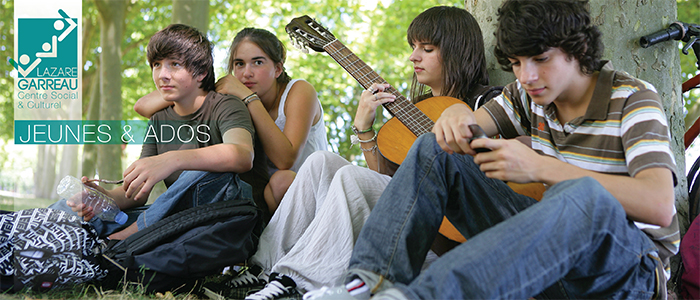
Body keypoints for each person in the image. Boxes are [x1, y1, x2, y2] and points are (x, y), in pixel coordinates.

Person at [305, 1, 681, 299]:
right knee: (434, 147)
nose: (526, 76)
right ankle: (367, 285)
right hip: (549, 261)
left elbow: (659, 204)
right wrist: (454, 113)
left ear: (577, 49)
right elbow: (471, 125)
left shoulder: (632, 98)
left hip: (627, 275)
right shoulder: (525, 94)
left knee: (580, 193)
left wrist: (542, 168)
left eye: (541, 59)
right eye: (516, 63)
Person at [206, 6, 499, 300]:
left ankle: (297, 282)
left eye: (427, 49)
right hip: (406, 227)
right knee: (321, 161)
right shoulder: (416, 108)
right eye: (413, 48)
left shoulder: (488, 103)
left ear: (456, 50)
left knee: (348, 176)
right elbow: (388, 185)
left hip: (451, 239)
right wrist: (364, 128)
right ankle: (261, 269)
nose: (413, 57)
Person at [52, 24, 258, 240]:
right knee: (69, 212)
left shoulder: (225, 106)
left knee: (197, 170)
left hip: (221, 216)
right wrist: (103, 198)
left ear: (202, 73)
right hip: (170, 218)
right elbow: (136, 194)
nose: (163, 75)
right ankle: (19, 229)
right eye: (157, 65)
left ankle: (128, 238)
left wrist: (173, 160)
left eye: (175, 64)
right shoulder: (159, 119)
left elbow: (243, 155)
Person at [135, 27, 328, 216]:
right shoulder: (232, 99)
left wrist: (249, 98)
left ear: (277, 68)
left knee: (281, 180)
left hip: (303, 191)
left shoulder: (298, 91)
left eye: (258, 62)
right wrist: (191, 87)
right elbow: (142, 106)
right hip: (265, 198)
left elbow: (285, 160)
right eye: (239, 64)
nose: (247, 73)